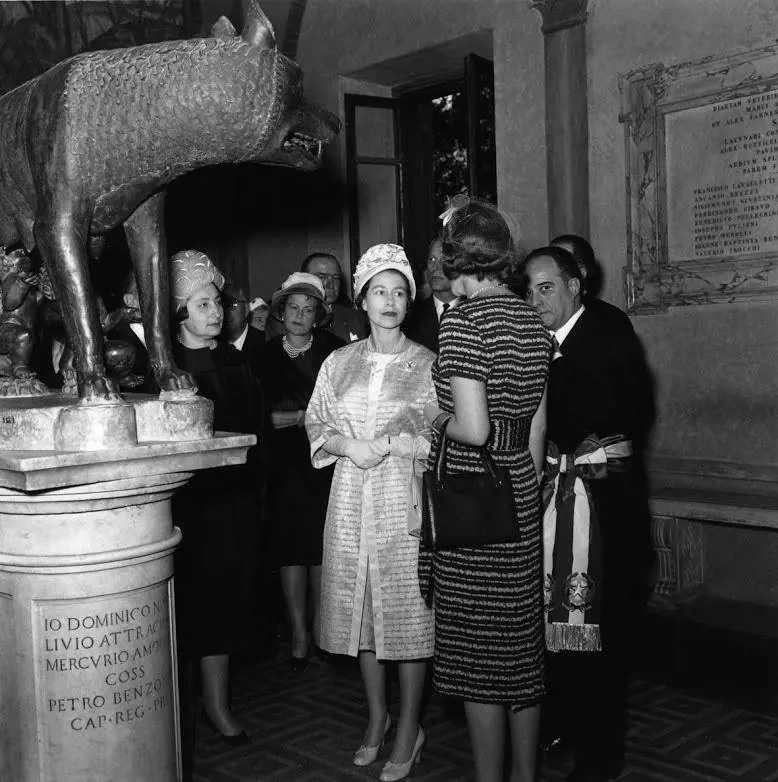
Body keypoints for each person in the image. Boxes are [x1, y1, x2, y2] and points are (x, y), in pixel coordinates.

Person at [420, 199, 551, 782]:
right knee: (520, 648)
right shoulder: (531, 320)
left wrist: (434, 423)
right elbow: (537, 429)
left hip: (475, 497)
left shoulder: (464, 323)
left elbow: (471, 429)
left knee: (478, 656)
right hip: (520, 485)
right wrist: (528, 476)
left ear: (456, 258)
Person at [522, 246, 654, 782]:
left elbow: (626, 414)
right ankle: (564, 723)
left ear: (575, 286)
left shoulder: (607, 331)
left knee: (603, 631)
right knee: (554, 623)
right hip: (554, 498)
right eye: (527, 290)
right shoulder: (536, 341)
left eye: (546, 288)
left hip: (606, 506)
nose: (535, 300)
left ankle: (601, 756)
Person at [306, 244, 436, 782]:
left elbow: (442, 434)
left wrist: (402, 444)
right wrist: (343, 443)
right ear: (362, 298)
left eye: (400, 291)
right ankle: (377, 718)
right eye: (380, 291)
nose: (390, 300)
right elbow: (314, 421)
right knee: (362, 618)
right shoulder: (338, 362)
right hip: (349, 502)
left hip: (401, 502)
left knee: (406, 616)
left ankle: (409, 727)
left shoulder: (428, 363)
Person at [170, 249, 265, 748]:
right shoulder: (162, 365)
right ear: (180, 311)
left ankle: (217, 704)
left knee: (224, 602)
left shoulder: (234, 358)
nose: (216, 312)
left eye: (217, 302)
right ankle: (175, 706)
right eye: (204, 303)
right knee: (185, 603)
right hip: (185, 503)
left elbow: (256, 429)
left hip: (232, 500)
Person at [257, 272, 343, 671]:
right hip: (285, 466)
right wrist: (303, 416)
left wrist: (295, 418)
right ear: (280, 311)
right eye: (293, 308)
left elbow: (343, 414)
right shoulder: (264, 355)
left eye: (308, 310)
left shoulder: (335, 351)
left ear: (318, 317)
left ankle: (323, 630)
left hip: (326, 462)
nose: (299, 315)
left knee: (322, 547)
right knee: (291, 550)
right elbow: (263, 419)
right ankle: (298, 634)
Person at [403, 237, 460, 353]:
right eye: (432, 259)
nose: (435, 268)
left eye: (444, 260)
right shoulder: (410, 318)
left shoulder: (477, 314)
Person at [303, 251, 367, 343]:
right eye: (322, 277)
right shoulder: (291, 318)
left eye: (336, 277)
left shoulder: (354, 317)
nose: (331, 285)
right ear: (304, 279)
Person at [221, 284, 265, 365]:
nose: (226, 311)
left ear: (246, 309)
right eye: (222, 305)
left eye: (232, 305)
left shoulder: (265, 345)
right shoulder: (213, 346)